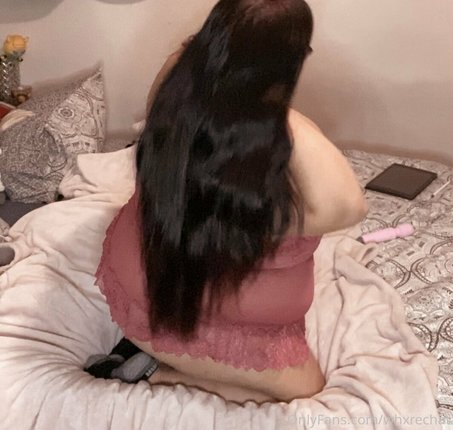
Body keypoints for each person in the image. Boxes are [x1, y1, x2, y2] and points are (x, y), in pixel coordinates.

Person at [95, 0, 368, 404]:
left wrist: (229, 85)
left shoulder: (177, 75)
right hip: (180, 316)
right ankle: (153, 375)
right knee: (308, 393)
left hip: (143, 289)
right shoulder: (284, 144)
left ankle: (149, 358)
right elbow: (350, 206)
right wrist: (263, 104)